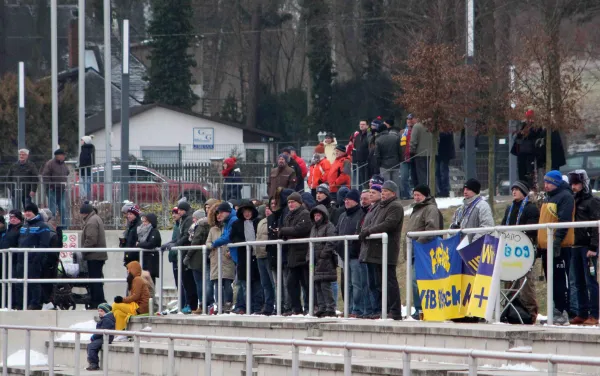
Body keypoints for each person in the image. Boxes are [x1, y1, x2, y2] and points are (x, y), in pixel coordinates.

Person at [359, 181, 403, 320]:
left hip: (387, 249)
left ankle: (395, 310)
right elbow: (374, 223)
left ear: (393, 193)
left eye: (386, 191)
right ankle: (386, 308)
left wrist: (368, 231)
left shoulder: (395, 206)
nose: (383, 193)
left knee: (389, 281)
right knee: (379, 282)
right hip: (377, 249)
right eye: (382, 190)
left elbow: (388, 224)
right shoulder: (380, 207)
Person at [537, 170, 575, 325]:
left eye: (549, 182)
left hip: (559, 247)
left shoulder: (565, 197)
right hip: (547, 246)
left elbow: (564, 221)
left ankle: (563, 312)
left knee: (560, 281)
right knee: (551, 281)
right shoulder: (548, 197)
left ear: (557, 182)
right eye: (545, 182)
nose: (545, 185)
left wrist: (557, 242)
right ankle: (554, 312)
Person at [500, 180, 540, 323]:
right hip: (510, 252)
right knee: (510, 283)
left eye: (517, 189)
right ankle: (510, 311)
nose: (514, 192)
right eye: (512, 189)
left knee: (526, 284)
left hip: (525, 251)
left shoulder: (531, 209)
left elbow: (532, 229)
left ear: (523, 192)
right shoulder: (509, 209)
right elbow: (503, 226)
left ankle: (531, 313)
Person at [404, 184, 443, 320]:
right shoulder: (416, 209)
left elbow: (431, 229)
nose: (416, 197)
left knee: (418, 281)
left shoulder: (430, 209)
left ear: (425, 195)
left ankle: (423, 309)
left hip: (424, 252)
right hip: (415, 251)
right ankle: (419, 309)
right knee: (415, 281)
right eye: (414, 195)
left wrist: (418, 244)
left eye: (418, 195)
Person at [567, 170, 600, 326]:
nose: (574, 187)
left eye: (576, 184)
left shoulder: (592, 202)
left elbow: (596, 226)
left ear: (584, 184)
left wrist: (593, 246)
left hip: (587, 247)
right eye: (572, 184)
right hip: (575, 245)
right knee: (578, 281)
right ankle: (582, 312)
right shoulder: (574, 201)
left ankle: (594, 314)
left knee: (590, 281)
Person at [278, 192, 312, 315]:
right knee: (291, 284)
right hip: (293, 255)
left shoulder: (305, 214)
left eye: (293, 202)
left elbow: (300, 229)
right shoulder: (289, 216)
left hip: (303, 255)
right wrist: (285, 232)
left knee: (306, 283)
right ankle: (296, 308)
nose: (290, 204)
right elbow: (286, 231)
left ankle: (309, 307)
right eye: (289, 202)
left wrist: (284, 231)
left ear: (299, 202)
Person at [335, 189, 367, 318]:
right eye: (345, 199)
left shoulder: (361, 214)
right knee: (346, 284)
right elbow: (337, 232)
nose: (346, 201)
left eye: (349, 199)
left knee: (356, 283)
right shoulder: (342, 216)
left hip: (355, 255)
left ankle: (356, 309)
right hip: (344, 255)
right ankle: (347, 308)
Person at [230, 201, 264, 314]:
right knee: (245, 285)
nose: (247, 214)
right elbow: (232, 238)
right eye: (245, 212)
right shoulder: (237, 224)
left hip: (257, 257)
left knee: (258, 285)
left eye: (249, 211)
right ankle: (247, 307)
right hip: (244, 259)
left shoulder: (258, 222)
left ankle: (257, 308)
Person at [17, 203, 51, 310]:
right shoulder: (24, 226)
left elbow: (44, 244)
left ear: (35, 212)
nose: (27, 213)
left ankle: (35, 303)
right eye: (26, 211)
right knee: (21, 283)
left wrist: (37, 258)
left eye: (29, 211)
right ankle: (23, 303)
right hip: (22, 259)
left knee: (33, 282)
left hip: (34, 260)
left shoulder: (42, 226)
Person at [205, 201, 235, 314]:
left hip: (226, 259)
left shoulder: (228, 225)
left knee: (227, 283)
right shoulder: (213, 230)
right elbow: (208, 242)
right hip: (215, 260)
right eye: (216, 214)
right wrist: (211, 246)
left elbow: (229, 239)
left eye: (220, 213)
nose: (218, 216)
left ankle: (228, 303)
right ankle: (219, 305)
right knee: (217, 284)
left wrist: (228, 250)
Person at [308, 204, 338, 317]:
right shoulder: (313, 228)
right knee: (318, 286)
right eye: (315, 215)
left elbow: (331, 241)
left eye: (318, 215)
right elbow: (310, 243)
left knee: (325, 286)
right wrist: (309, 257)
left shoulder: (329, 226)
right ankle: (322, 307)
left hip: (326, 261)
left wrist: (323, 254)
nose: (316, 217)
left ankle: (330, 308)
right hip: (315, 261)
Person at [183, 209, 211, 314]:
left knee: (200, 283)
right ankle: (207, 305)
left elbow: (195, 242)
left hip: (197, 259)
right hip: (205, 257)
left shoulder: (200, 226)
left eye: (194, 217)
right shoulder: (210, 224)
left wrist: (188, 256)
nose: (193, 219)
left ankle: (203, 305)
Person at [80, 202, 108, 309]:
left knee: (94, 280)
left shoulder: (91, 221)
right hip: (98, 256)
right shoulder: (95, 218)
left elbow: (91, 239)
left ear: (84, 213)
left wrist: (83, 251)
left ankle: (97, 302)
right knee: (97, 280)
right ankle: (99, 300)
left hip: (94, 256)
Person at [112, 261, 150, 331]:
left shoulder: (137, 279)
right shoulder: (135, 279)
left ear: (133, 269)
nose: (127, 271)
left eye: (128, 269)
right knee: (118, 312)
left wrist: (122, 300)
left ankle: (108, 319)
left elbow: (135, 296)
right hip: (135, 305)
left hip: (139, 308)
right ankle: (121, 333)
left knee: (115, 305)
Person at [161, 207, 185, 312]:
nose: (174, 215)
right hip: (174, 257)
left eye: (175, 213)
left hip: (179, 257)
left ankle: (184, 304)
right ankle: (181, 303)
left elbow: (179, 239)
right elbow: (175, 239)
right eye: (172, 214)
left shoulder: (182, 225)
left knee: (182, 283)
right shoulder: (176, 225)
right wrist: (169, 244)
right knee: (178, 283)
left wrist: (173, 244)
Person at [174, 201, 196, 314]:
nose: (179, 212)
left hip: (186, 253)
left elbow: (186, 236)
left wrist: (176, 243)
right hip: (183, 253)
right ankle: (189, 304)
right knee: (185, 282)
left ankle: (191, 305)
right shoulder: (183, 220)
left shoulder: (188, 220)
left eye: (181, 210)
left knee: (188, 282)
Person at [0, 210, 24, 309]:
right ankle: (5, 303)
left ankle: (15, 304)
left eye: (15, 218)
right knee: (5, 283)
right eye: (11, 218)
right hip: (5, 261)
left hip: (14, 261)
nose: (12, 220)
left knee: (14, 284)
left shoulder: (21, 229)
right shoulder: (9, 229)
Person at [255, 203, 275, 315]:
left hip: (268, 255)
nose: (267, 210)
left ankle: (277, 305)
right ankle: (268, 305)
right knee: (265, 283)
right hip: (260, 255)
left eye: (270, 208)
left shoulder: (274, 220)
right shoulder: (261, 222)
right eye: (266, 208)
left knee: (273, 282)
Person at [41, 148, 70, 226]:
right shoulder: (50, 163)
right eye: (63, 155)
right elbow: (45, 176)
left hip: (62, 189)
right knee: (52, 209)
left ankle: (64, 226)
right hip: (52, 189)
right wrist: (50, 185)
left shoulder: (64, 164)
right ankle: (51, 225)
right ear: (58, 156)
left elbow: (67, 172)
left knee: (63, 208)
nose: (64, 157)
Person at [86, 303, 115, 371]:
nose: (99, 312)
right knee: (91, 346)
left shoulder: (107, 319)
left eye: (101, 311)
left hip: (106, 338)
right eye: (98, 311)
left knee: (92, 346)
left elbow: (102, 331)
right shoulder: (105, 318)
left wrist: (93, 337)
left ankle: (94, 364)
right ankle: (92, 363)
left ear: (106, 311)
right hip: (102, 337)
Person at [375, 117, 402, 185]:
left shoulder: (378, 140)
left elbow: (377, 155)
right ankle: (396, 195)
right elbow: (400, 151)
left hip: (384, 166)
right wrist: (400, 161)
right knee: (395, 185)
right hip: (395, 164)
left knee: (386, 186)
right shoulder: (395, 137)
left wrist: (379, 165)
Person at [136, 213, 161, 286]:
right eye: (143, 221)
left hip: (150, 262)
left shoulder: (154, 232)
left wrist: (139, 244)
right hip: (143, 261)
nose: (143, 223)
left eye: (146, 221)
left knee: (150, 284)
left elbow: (151, 244)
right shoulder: (142, 232)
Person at [409, 117, 432, 186]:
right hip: (432, 154)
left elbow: (413, 141)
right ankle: (433, 190)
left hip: (420, 153)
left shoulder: (417, 126)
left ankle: (423, 191)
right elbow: (437, 140)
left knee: (421, 175)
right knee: (431, 174)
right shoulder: (432, 126)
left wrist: (412, 151)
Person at [352, 121, 371, 187]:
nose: (361, 126)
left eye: (363, 124)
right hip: (359, 161)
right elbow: (355, 148)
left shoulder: (369, 135)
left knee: (367, 180)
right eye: (360, 124)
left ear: (367, 126)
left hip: (367, 162)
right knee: (361, 180)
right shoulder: (357, 136)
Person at [436, 132, 455, 198]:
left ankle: (445, 190)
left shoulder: (446, 129)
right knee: (438, 172)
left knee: (443, 172)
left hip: (444, 153)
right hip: (439, 153)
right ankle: (441, 190)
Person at [400, 115, 414, 199]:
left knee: (413, 177)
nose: (409, 121)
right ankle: (406, 194)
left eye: (410, 119)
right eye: (408, 119)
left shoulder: (416, 130)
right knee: (404, 177)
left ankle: (414, 193)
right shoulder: (402, 132)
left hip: (414, 157)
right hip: (404, 158)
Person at [79, 136, 95, 200]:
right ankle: (87, 198)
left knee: (86, 185)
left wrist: (81, 166)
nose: (81, 142)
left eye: (82, 140)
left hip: (85, 170)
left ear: (85, 141)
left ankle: (86, 198)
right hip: (86, 170)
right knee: (86, 184)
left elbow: (84, 159)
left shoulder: (85, 149)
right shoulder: (90, 149)